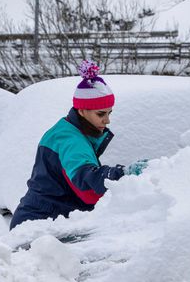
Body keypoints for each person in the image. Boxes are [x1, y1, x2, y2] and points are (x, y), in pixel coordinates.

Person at [9, 60, 148, 230]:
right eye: (101, 114)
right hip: (39, 228)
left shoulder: (68, 130)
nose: (107, 120)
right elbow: (85, 179)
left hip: (41, 220)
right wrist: (122, 175)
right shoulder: (71, 140)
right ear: (82, 110)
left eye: (109, 113)